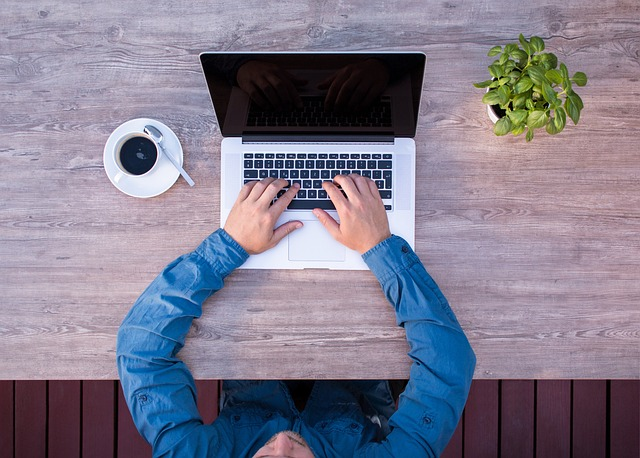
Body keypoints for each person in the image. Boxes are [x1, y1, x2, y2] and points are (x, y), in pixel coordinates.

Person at [116, 174, 476, 457]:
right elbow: (447, 366)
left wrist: (229, 245)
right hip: (356, 387)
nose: (284, 444)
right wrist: (378, 246)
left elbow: (141, 349)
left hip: (253, 380)